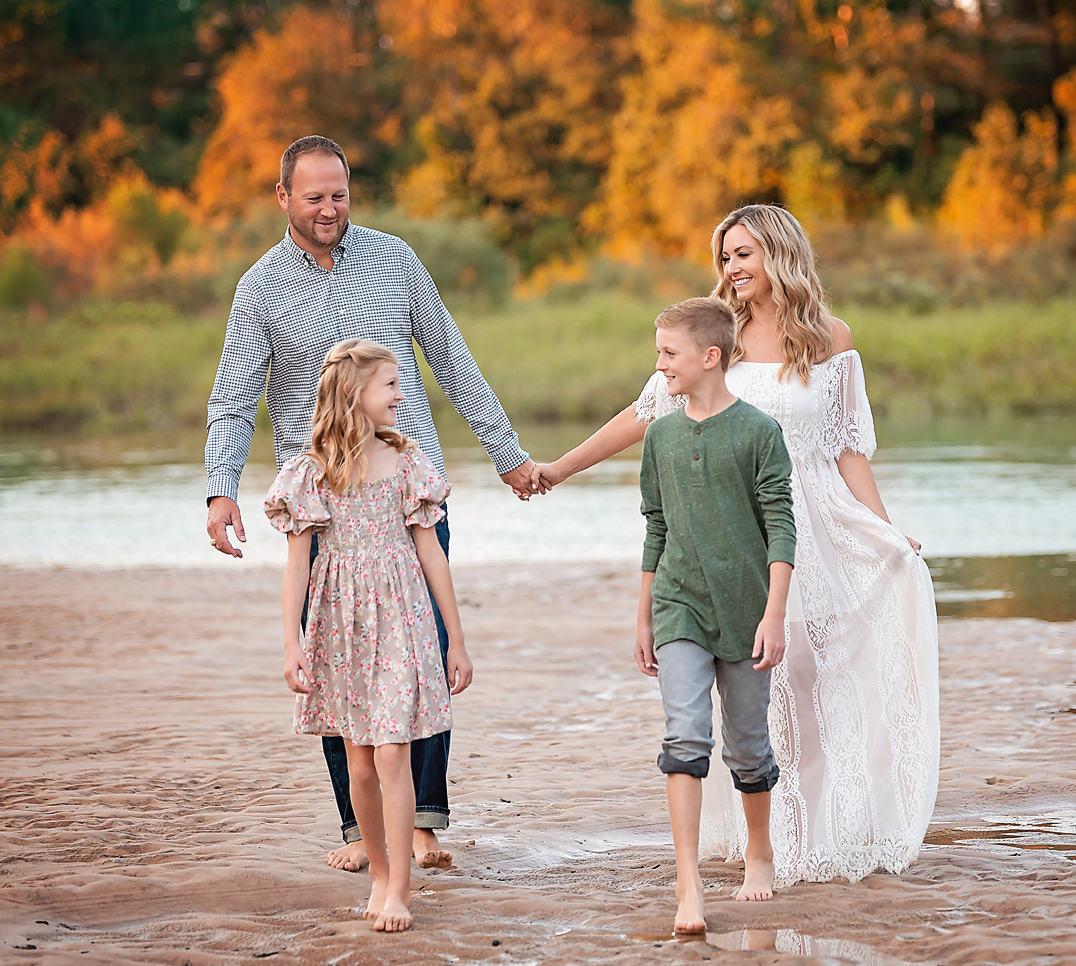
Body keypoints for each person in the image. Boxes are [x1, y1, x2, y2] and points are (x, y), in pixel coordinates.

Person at [537, 205, 940, 886]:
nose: (732, 268)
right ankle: (769, 840)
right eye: (725, 256)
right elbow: (645, 414)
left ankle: (816, 834)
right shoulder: (717, 333)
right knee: (760, 684)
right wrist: (560, 468)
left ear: (778, 253)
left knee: (812, 679)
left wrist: (886, 529)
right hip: (733, 529)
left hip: (819, 528)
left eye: (743, 254)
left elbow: (846, 448)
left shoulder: (830, 338)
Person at [205, 135, 543, 874]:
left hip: (406, 493)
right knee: (337, 659)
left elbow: (451, 359)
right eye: (315, 196)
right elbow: (233, 399)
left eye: (340, 195)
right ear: (283, 197)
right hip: (325, 503)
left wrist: (508, 455)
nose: (330, 209)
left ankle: (422, 820)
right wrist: (220, 489)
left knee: (421, 651)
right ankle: (360, 828)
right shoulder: (259, 288)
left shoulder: (396, 261)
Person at [265, 338, 471, 933]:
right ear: (354, 395)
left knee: (392, 754)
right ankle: (379, 873)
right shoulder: (310, 474)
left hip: (402, 619)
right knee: (358, 766)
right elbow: (297, 567)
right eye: (392, 386)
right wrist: (291, 644)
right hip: (340, 627)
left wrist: (454, 638)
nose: (403, 396)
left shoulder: (408, 467)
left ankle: (401, 888)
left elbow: (432, 557)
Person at [637, 296, 795, 934]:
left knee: (749, 747)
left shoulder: (759, 432)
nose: (660, 364)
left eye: (669, 354)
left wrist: (774, 615)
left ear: (710, 357)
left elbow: (782, 529)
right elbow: (655, 527)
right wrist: (643, 615)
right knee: (684, 736)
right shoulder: (660, 436)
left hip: (746, 608)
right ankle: (688, 884)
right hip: (679, 604)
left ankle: (759, 850)